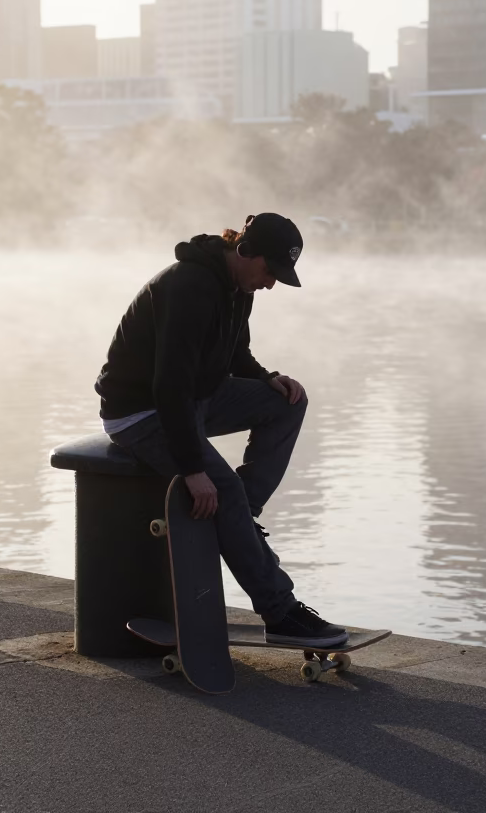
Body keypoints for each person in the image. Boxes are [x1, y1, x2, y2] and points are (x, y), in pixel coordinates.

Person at [95, 213, 348, 648]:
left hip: (195, 398)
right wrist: (194, 470)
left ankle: (242, 515)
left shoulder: (237, 287)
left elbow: (235, 353)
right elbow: (168, 384)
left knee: (288, 404)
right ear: (245, 251)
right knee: (220, 488)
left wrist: (268, 378)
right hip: (142, 412)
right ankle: (280, 612)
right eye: (270, 271)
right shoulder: (189, 287)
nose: (271, 284)